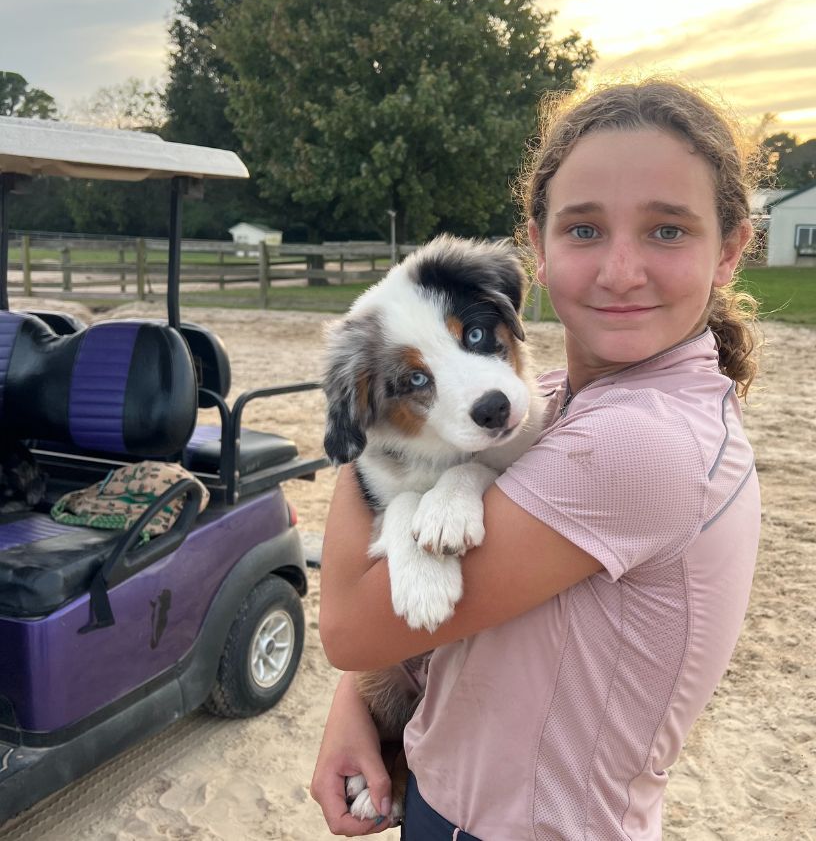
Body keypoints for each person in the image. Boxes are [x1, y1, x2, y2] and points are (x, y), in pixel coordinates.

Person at [311, 79, 762, 840]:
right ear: (539, 252)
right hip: (445, 793)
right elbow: (408, 635)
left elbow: (352, 629)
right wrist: (357, 707)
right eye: (584, 230)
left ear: (731, 250)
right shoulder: (550, 398)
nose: (621, 270)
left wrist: (381, 436)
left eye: (668, 231)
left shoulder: (638, 442)